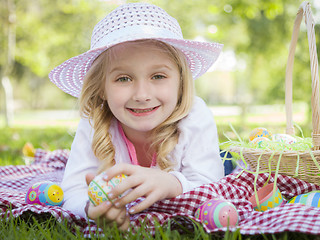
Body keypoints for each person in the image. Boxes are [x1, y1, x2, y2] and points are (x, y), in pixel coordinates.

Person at [49, 2, 224, 230]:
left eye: (158, 76)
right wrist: (93, 209)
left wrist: (172, 184)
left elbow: (211, 186)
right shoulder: (95, 122)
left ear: (181, 82)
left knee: (229, 163)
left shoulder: (194, 116)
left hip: (205, 160)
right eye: (123, 79)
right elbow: (73, 189)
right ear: (101, 87)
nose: (142, 95)